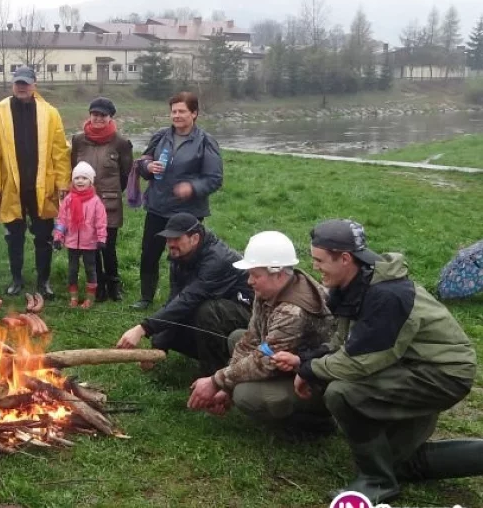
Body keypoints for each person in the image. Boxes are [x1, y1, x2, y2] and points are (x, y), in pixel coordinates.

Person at [271, 219, 482, 505]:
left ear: (345, 258)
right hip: (409, 363)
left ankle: (378, 482)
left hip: (441, 374)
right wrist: (304, 361)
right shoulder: (354, 283)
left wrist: (309, 370)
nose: (315, 266)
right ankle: (389, 468)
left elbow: (358, 362)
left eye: (319, 260)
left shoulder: (386, 295)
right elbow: (342, 342)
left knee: (342, 392)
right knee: (401, 464)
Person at [186, 231, 334, 434]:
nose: (249, 281)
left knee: (245, 394)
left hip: (314, 379)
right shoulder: (270, 289)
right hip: (287, 360)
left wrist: (216, 381)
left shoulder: (293, 311)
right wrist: (226, 386)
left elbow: (266, 362)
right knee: (236, 338)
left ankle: (316, 422)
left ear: (278, 273)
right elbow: (251, 339)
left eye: (255, 275)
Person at [116, 213, 252, 375]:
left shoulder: (217, 260)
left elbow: (188, 299)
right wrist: (158, 346)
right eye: (168, 239)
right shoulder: (179, 256)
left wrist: (143, 328)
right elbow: (175, 300)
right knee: (178, 316)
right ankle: (220, 359)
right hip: (218, 308)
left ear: (194, 238)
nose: (170, 244)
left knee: (205, 310)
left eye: (176, 239)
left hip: (248, 315)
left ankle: (214, 377)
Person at [0, 66, 71, 298]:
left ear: (34, 85)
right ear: (13, 84)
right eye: (18, 83)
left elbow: (60, 150)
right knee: (14, 236)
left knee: (44, 236)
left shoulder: (50, 112)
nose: (22, 86)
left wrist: (63, 182)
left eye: (26, 83)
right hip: (11, 186)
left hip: (43, 186)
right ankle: (17, 279)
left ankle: (44, 281)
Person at [134, 91, 223, 310]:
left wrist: (192, 187)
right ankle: (146, 297)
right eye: (173, 111)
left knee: (186, 258)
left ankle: (182, 298)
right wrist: (148, 167)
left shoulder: (205, 142)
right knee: (149, 254)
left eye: (182, 111)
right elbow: (144, 161)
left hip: (187, 213)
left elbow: (214, 178)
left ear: (194, 113)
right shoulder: (161, 137)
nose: (176, 115)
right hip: (158, 206)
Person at [70, 97, 133, 301]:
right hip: (84, 204)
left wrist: (111, 191)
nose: (98, 118)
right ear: (89, 115)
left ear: (110, 118)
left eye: (102, 115)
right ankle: (96, 286)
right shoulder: (78, 140)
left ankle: (114, 285)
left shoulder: (121, 143)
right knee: (90, 246)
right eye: (94, 114)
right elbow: (74, 169)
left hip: (109, 204)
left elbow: (126, 174)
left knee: (108, 246)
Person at [53, 162, 107, 309]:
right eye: (77, 178)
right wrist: (58, 236)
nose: (80, 181)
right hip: (72, 242)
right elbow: (62, 220)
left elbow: (101, 222)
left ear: (90, 181)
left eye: (84, 178)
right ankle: (74, 296)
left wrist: (101, 239)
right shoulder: (68, 200)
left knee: (91, 269)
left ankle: (90, 298)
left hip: (89, 242)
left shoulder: (96, 202)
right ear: (72, 180)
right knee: (72, 269)